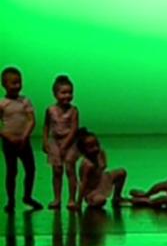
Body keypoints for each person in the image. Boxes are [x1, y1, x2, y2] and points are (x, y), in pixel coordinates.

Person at [0, 67, 43, 212]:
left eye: (19, 82)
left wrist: (25, 136)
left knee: (30, 169)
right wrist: (8, 136)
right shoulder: (2, 103)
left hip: (24, 141)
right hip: (9, 142)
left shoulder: (25, 101)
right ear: (4, 85)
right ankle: (11, 200)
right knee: (12, 171)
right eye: (14, 83)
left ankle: (27, 196)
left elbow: (31, 120)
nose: (17, 86)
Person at [43, 74, 80, 209]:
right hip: (55, 141)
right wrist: (45, 141)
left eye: (70, 93)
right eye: (63, 92)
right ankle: (57, 198)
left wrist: (66, 143)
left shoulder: (73, 110)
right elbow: (46, 125)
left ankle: (71, 199)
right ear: (55, 94)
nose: (67, 96)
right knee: (57, 170)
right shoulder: (50, 110)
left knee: (70, 170)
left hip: (70, 142)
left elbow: (74, 128)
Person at [74, 127, 128, 209]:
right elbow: (83, 183)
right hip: (91, 191)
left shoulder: (100, 153)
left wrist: (101, 158)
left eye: (97, 145)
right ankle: (92, 201)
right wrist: (78, 203)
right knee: (100, 201)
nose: (95, 148)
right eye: (91, 147)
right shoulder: (87, 164)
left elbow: (103, 167)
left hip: (102, 180)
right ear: (83, 151)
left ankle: (117, 197)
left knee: (121, 172)